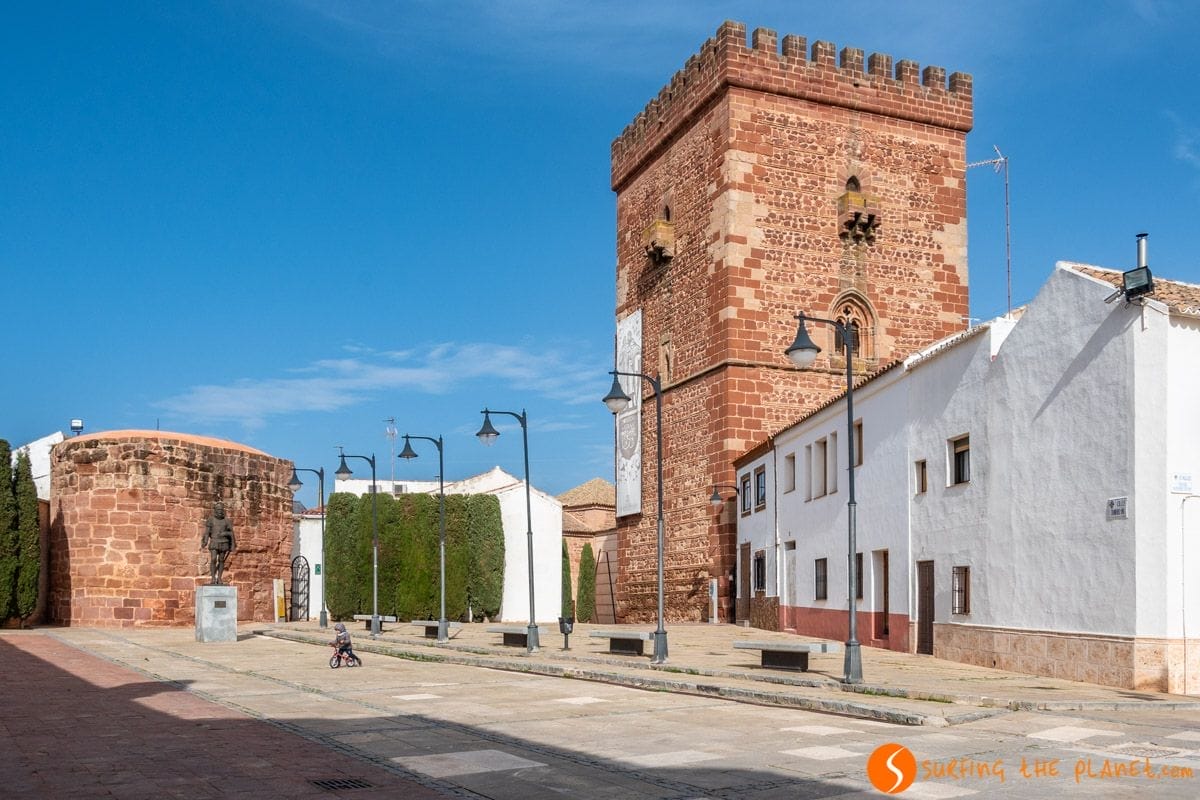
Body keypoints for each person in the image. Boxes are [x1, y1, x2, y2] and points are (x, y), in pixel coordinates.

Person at [201, 501, 236, 585]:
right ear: (215, 510)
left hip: (224, 542)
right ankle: (213, 577)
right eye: (218, 509)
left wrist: (232, 544)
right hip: (214, 542)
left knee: (221, 560)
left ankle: (219, 578)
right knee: (213, 559)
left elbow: (231, 533)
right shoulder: (211, 520)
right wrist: (205, 541)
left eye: (221, 509)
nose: (220, 511)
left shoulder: (226, 521)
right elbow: (207, 532)